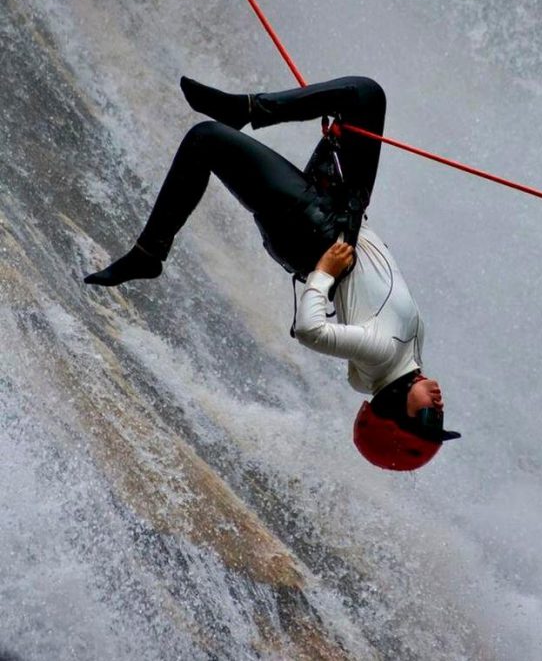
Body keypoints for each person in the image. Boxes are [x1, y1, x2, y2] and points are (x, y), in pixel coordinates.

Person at [84, 75, 460, 470]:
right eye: (440, 419)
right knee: (365, 97)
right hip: (343, 216)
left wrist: (324, 273)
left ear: (392, 410)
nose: (438, 409)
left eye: (426, 418)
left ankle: (148, 253)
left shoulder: (381, 353)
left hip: (311, 234)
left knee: (206, 139)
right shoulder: (404, 357)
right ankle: (247, 110)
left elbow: (310, 331)